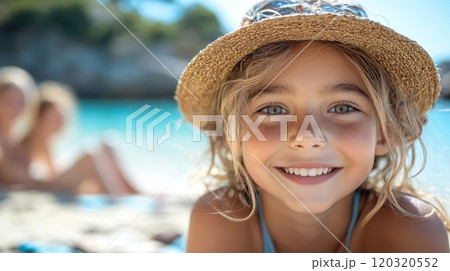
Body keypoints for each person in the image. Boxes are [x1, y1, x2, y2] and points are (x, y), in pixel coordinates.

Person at [175, 0, 450, 252]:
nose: (308, 137)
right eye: (273, 109)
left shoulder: (413, 230)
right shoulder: (219, 217)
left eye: (343, 108)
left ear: (385, 132)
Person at [0, 78, 138, 196]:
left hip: (40, 184)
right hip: (36, 186)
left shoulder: (19, 136)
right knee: (91, 156)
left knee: (107, 145)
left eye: (60, 120)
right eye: (53, 120)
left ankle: (134, 194)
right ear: (39, 118)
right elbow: (22, 178)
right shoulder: (27, 137)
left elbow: (51, 171)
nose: (58, 125)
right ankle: (120, 197)